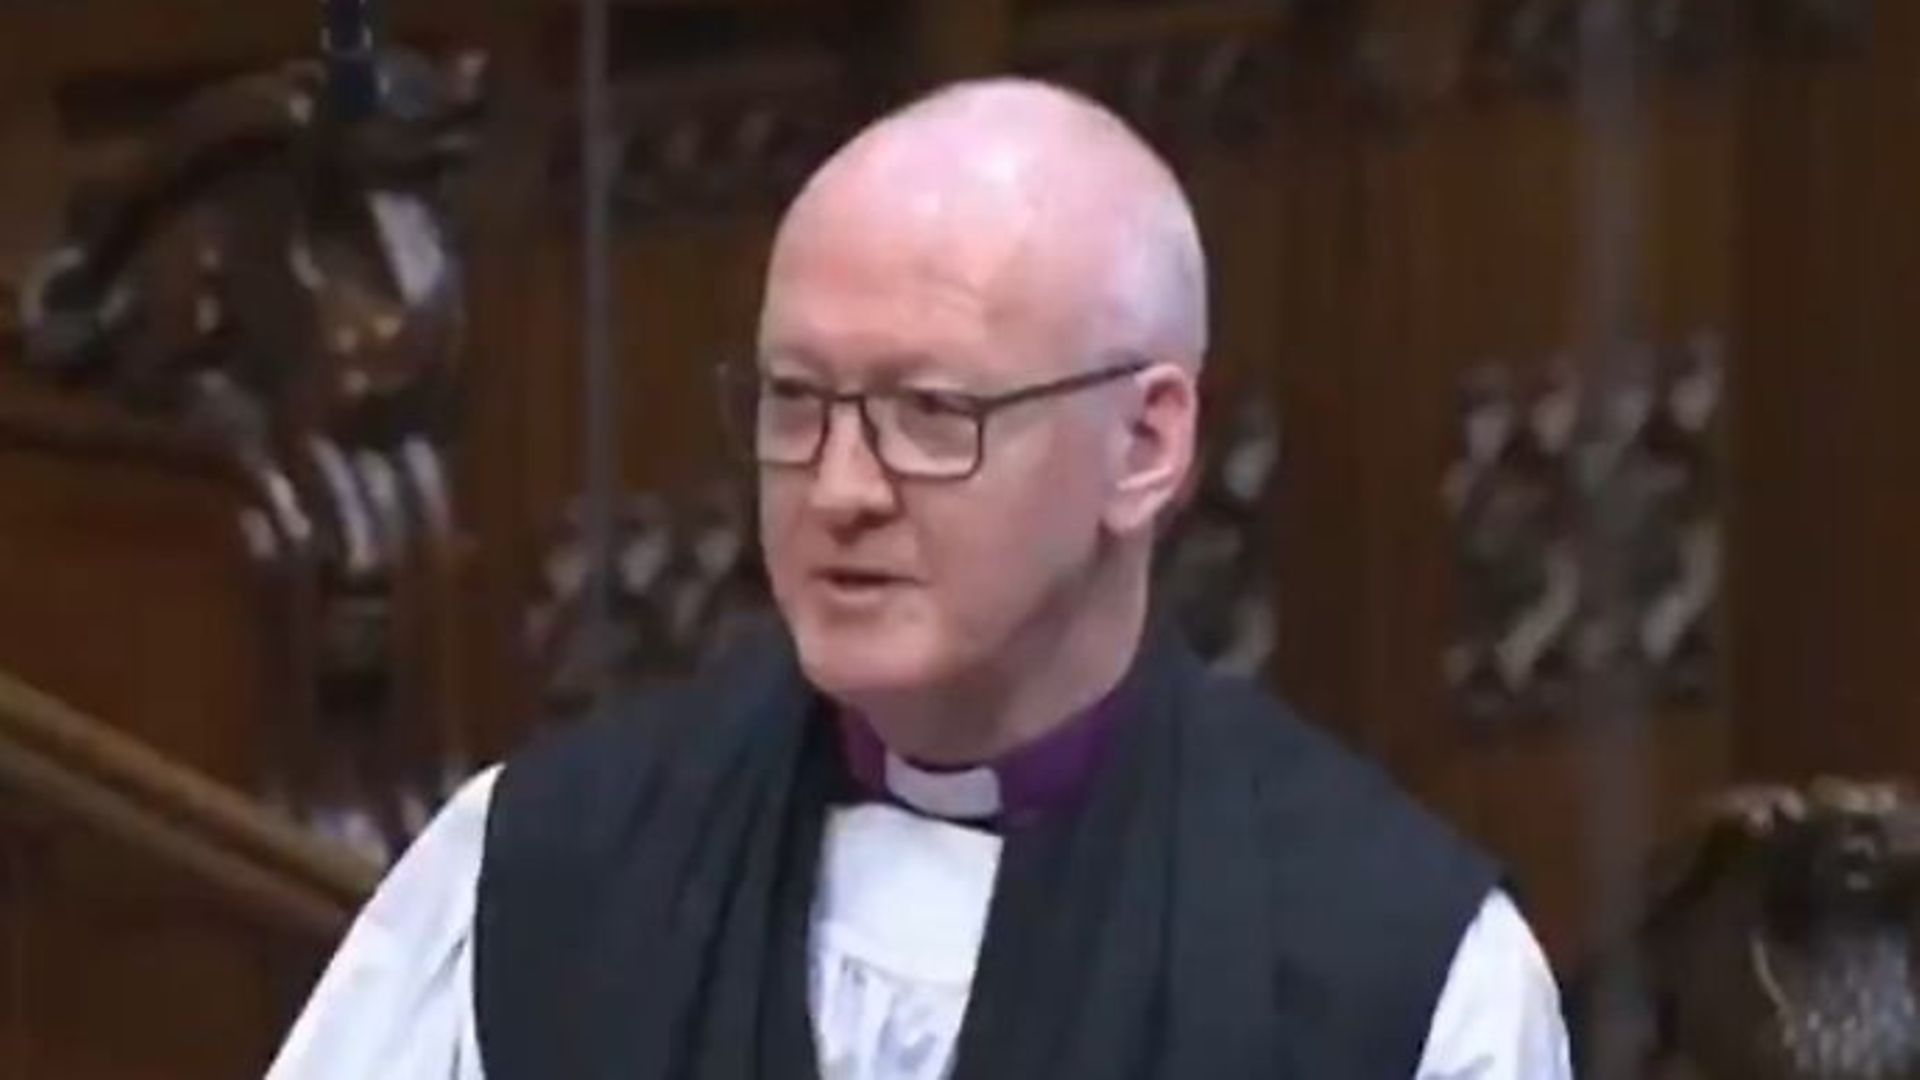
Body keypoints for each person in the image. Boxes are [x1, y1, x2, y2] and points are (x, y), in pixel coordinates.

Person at [267, 77, 1571, 1080]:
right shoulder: (541, 868)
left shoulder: (1391, 972)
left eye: (933, 412)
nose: (840, 487)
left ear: (1147, 444)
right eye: (796, 401)